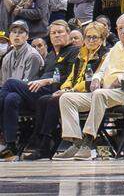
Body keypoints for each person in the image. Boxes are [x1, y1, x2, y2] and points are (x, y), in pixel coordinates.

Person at [56, 13, 124, 161]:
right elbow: (101, 70)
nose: (123, 31)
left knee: (99, 94)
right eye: (120, 28)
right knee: (67, 98)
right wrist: (96, 78)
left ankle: (88, 143)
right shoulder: (115, 47)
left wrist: (121, 79)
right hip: (104, 93)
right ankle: (76, 142)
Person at [21, 22, 107, 161]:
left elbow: (92, 82)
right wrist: (65, 88)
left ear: (102, 40)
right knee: (45, 100)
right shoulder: (82, 54)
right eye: (88, 37)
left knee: (57, 99)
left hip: (95, 93)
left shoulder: (104, 55)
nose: (91, 41)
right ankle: (46, 141)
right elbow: (71, 77)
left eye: (95, 38)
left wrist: (69, 90)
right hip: (76, 93)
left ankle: (47, 144)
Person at [0, 20, 74, 159]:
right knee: (10, 98)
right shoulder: (52, 54)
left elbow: (72, 77)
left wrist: (47, 80)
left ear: (68, 33)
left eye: (60, 32)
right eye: (53, 33)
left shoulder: (73, 51)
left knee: (10, 84)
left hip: (50, 91)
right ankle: (11, 145)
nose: (56, 35)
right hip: (36, 94)